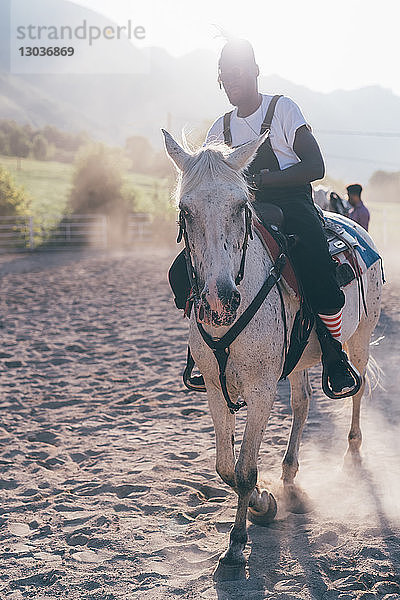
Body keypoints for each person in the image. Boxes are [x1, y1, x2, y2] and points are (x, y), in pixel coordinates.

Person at [169, 38, 359, 396]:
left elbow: (315, 166)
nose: (229, 79)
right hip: (242, 208)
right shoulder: (219, 129)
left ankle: (334, 354)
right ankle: (202, 350)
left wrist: (264, 179)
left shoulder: (283, 109)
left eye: (237, 70)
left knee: (315, 262)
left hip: (292, 202)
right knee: (185, 268)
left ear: (255, 71)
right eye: (223, 74)